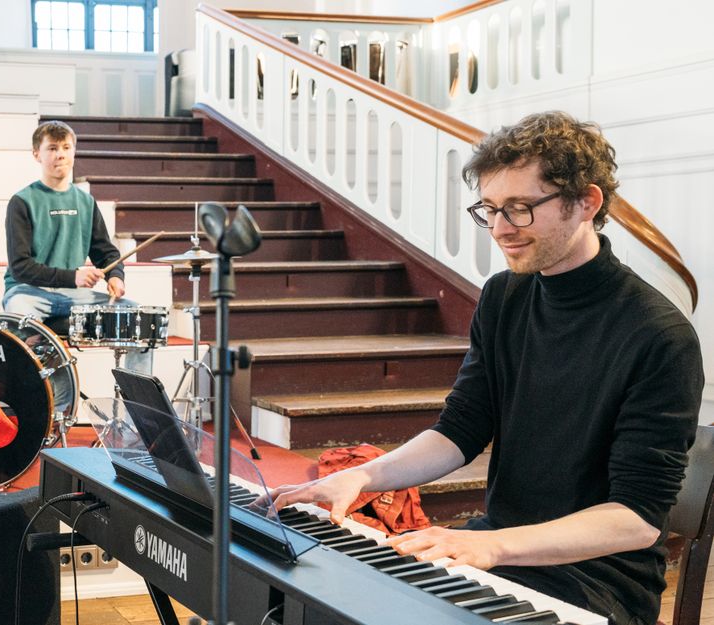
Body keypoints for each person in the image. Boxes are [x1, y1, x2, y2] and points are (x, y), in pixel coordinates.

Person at [265, 111, 702, 625]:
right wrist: (361, 478)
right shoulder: (505, 296)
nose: (499, 229)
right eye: (490, 209)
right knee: (310, 596)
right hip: (500, 549)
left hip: (595, 583)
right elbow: (460, 430)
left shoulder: (658, 335)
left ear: (586, 202)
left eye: (519, 209)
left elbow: (636, 520)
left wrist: (492, 547)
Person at [2, 120, 152, 371]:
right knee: (20, 320)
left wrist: (115, 276)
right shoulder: (22, 201)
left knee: (139, 322)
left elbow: (106, 252)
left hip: (75, 296)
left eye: (65, 147)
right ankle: (38, 404)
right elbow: (20, 267)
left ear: (74, 151)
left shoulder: (85, 202)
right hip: (28, 293)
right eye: (51, 148)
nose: (60, 154)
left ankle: (136, 409)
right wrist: (74, 277)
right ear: (37, 154)